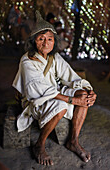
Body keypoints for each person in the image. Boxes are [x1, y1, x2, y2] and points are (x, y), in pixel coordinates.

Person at [12, 11, 97, 166]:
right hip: (36, 100)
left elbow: (72, 77)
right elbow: (37, 91)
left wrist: (89, 92)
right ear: (33, 42)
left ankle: (73, 141)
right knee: (61, 106)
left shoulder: (54, 57)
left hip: (55, 93)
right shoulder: (27, 61)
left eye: (50, 39)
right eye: (41, 39)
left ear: (54, 41)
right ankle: (39, 145)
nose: (46, 43)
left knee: (83, 95)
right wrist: (71, 99)